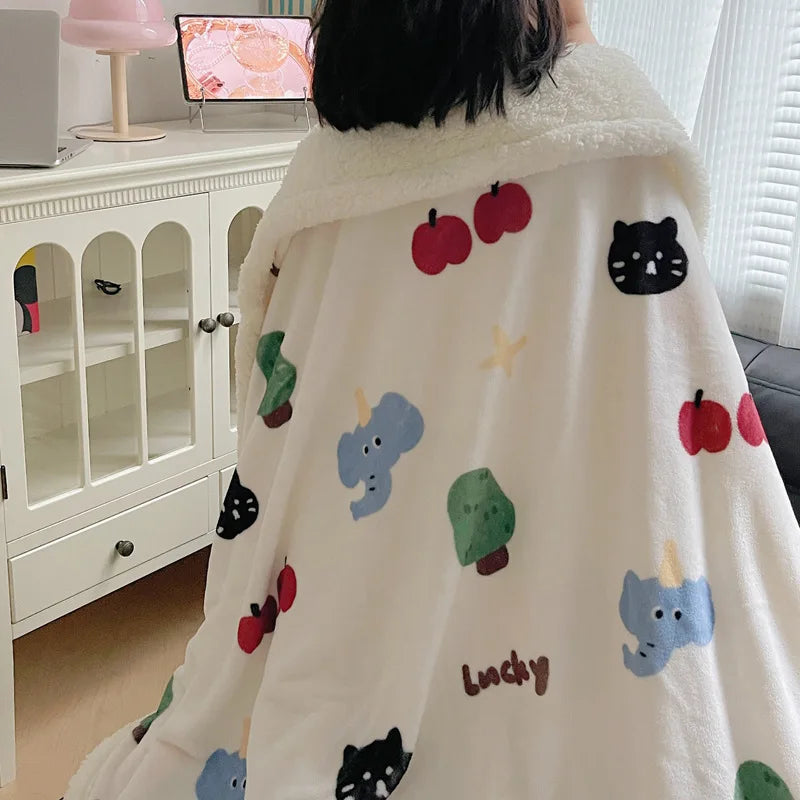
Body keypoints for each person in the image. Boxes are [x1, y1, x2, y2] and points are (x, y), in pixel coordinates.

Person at [67, 1, 800, 798]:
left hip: (355, 567)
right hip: (588, 605)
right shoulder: (608, 132)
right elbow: (664, 377)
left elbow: (285, 378)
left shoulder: (330, 170)